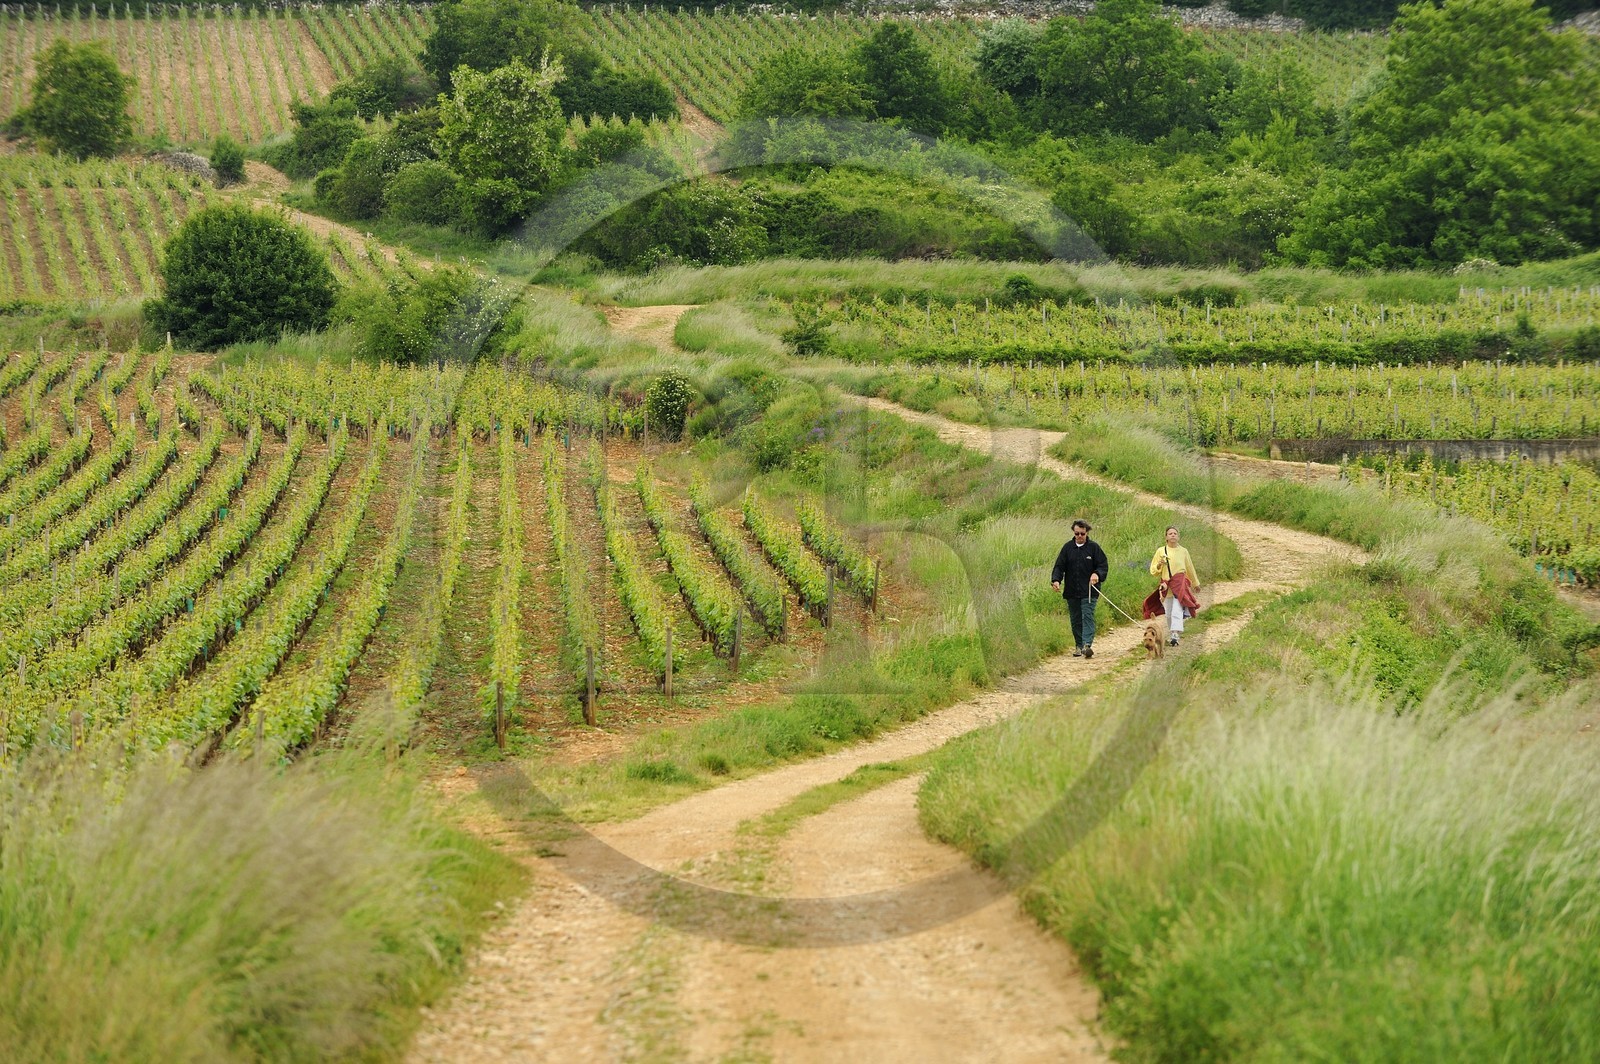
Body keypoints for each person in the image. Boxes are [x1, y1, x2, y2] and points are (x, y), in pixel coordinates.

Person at [1051, 519, 1109, 659]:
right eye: (1077, 533)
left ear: (1087, 532)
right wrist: (1056, 580)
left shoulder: (1094, 548)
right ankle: (1078, 645)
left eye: (1082, 533)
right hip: (1072, 590)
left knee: (1087, 615)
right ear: (1073, 532)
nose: (1079, 536)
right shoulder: (1067, 548)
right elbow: (1059, 566)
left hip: (1089, 590)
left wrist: (1097, 574)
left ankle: (1087, 645)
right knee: (1075, 618)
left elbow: (1102, 565)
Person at [1144, 526, 1200, 646]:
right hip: (1166, 586)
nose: (1173, 535)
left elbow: (1190, 568)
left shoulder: (1183, 551)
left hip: (1180, 585)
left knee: (1177, 610)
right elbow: (1153, 571)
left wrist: (1195, 583)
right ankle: (1172, 632)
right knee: (1169, 613)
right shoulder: (1161, 551)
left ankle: (1175, 634)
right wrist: (1159, 565)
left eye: (1175, 533)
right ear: (1166, 537)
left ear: (1178, 537)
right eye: (1170, 533)